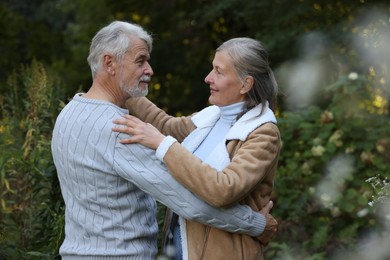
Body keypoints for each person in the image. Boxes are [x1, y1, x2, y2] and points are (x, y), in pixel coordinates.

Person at [51, 21, 277, 260]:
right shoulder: (119, 129)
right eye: (140, 61)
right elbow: (187, 200)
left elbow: (169, 132)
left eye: (218, 72)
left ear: (246, 83)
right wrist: (257, 224)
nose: (149, 69)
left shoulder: (70, 113)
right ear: (109, 63)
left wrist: (124, 91)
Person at [112, 37, 281, 259]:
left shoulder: (263, 133)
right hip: (179, 244)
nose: (208, 78)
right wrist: (127, 89)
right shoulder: (213, 116)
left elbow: (224, 189)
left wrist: (162, 144)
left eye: (218, 72)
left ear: (245, 84)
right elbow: (165, 126)